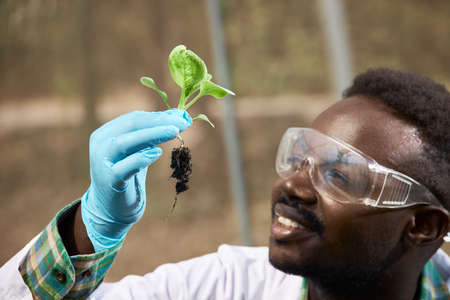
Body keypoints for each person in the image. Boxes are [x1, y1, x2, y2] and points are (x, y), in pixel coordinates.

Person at [1, 68, 450, 300]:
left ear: (423, 226)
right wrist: (90, 227)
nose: (292, 186)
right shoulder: (227, 285)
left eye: (339, 175)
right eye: (298, 158)